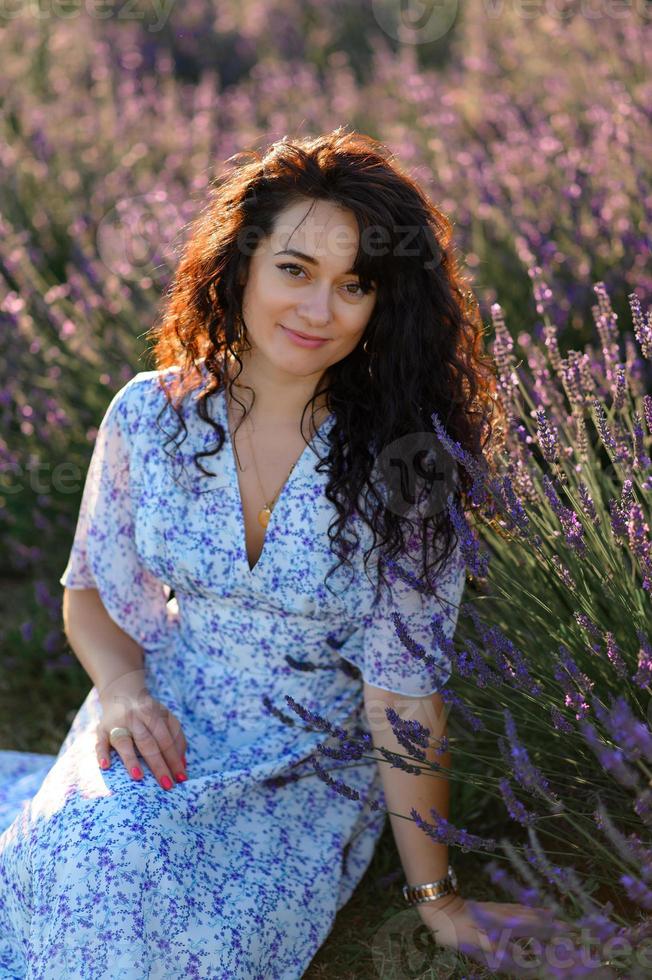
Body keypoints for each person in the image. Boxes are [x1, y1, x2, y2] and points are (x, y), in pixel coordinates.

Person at [0, 128, 556, 978]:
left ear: (384, 303)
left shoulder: (407, 459)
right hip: (163, 716)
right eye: (295, 269)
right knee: (88, 859)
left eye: (353, 285)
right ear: (242, 264)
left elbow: (404, 696)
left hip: (306, 764)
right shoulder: (151, 415)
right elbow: (89, 592)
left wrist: (436, 902)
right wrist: (119, 692)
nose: (317, 309)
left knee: (197, 944)